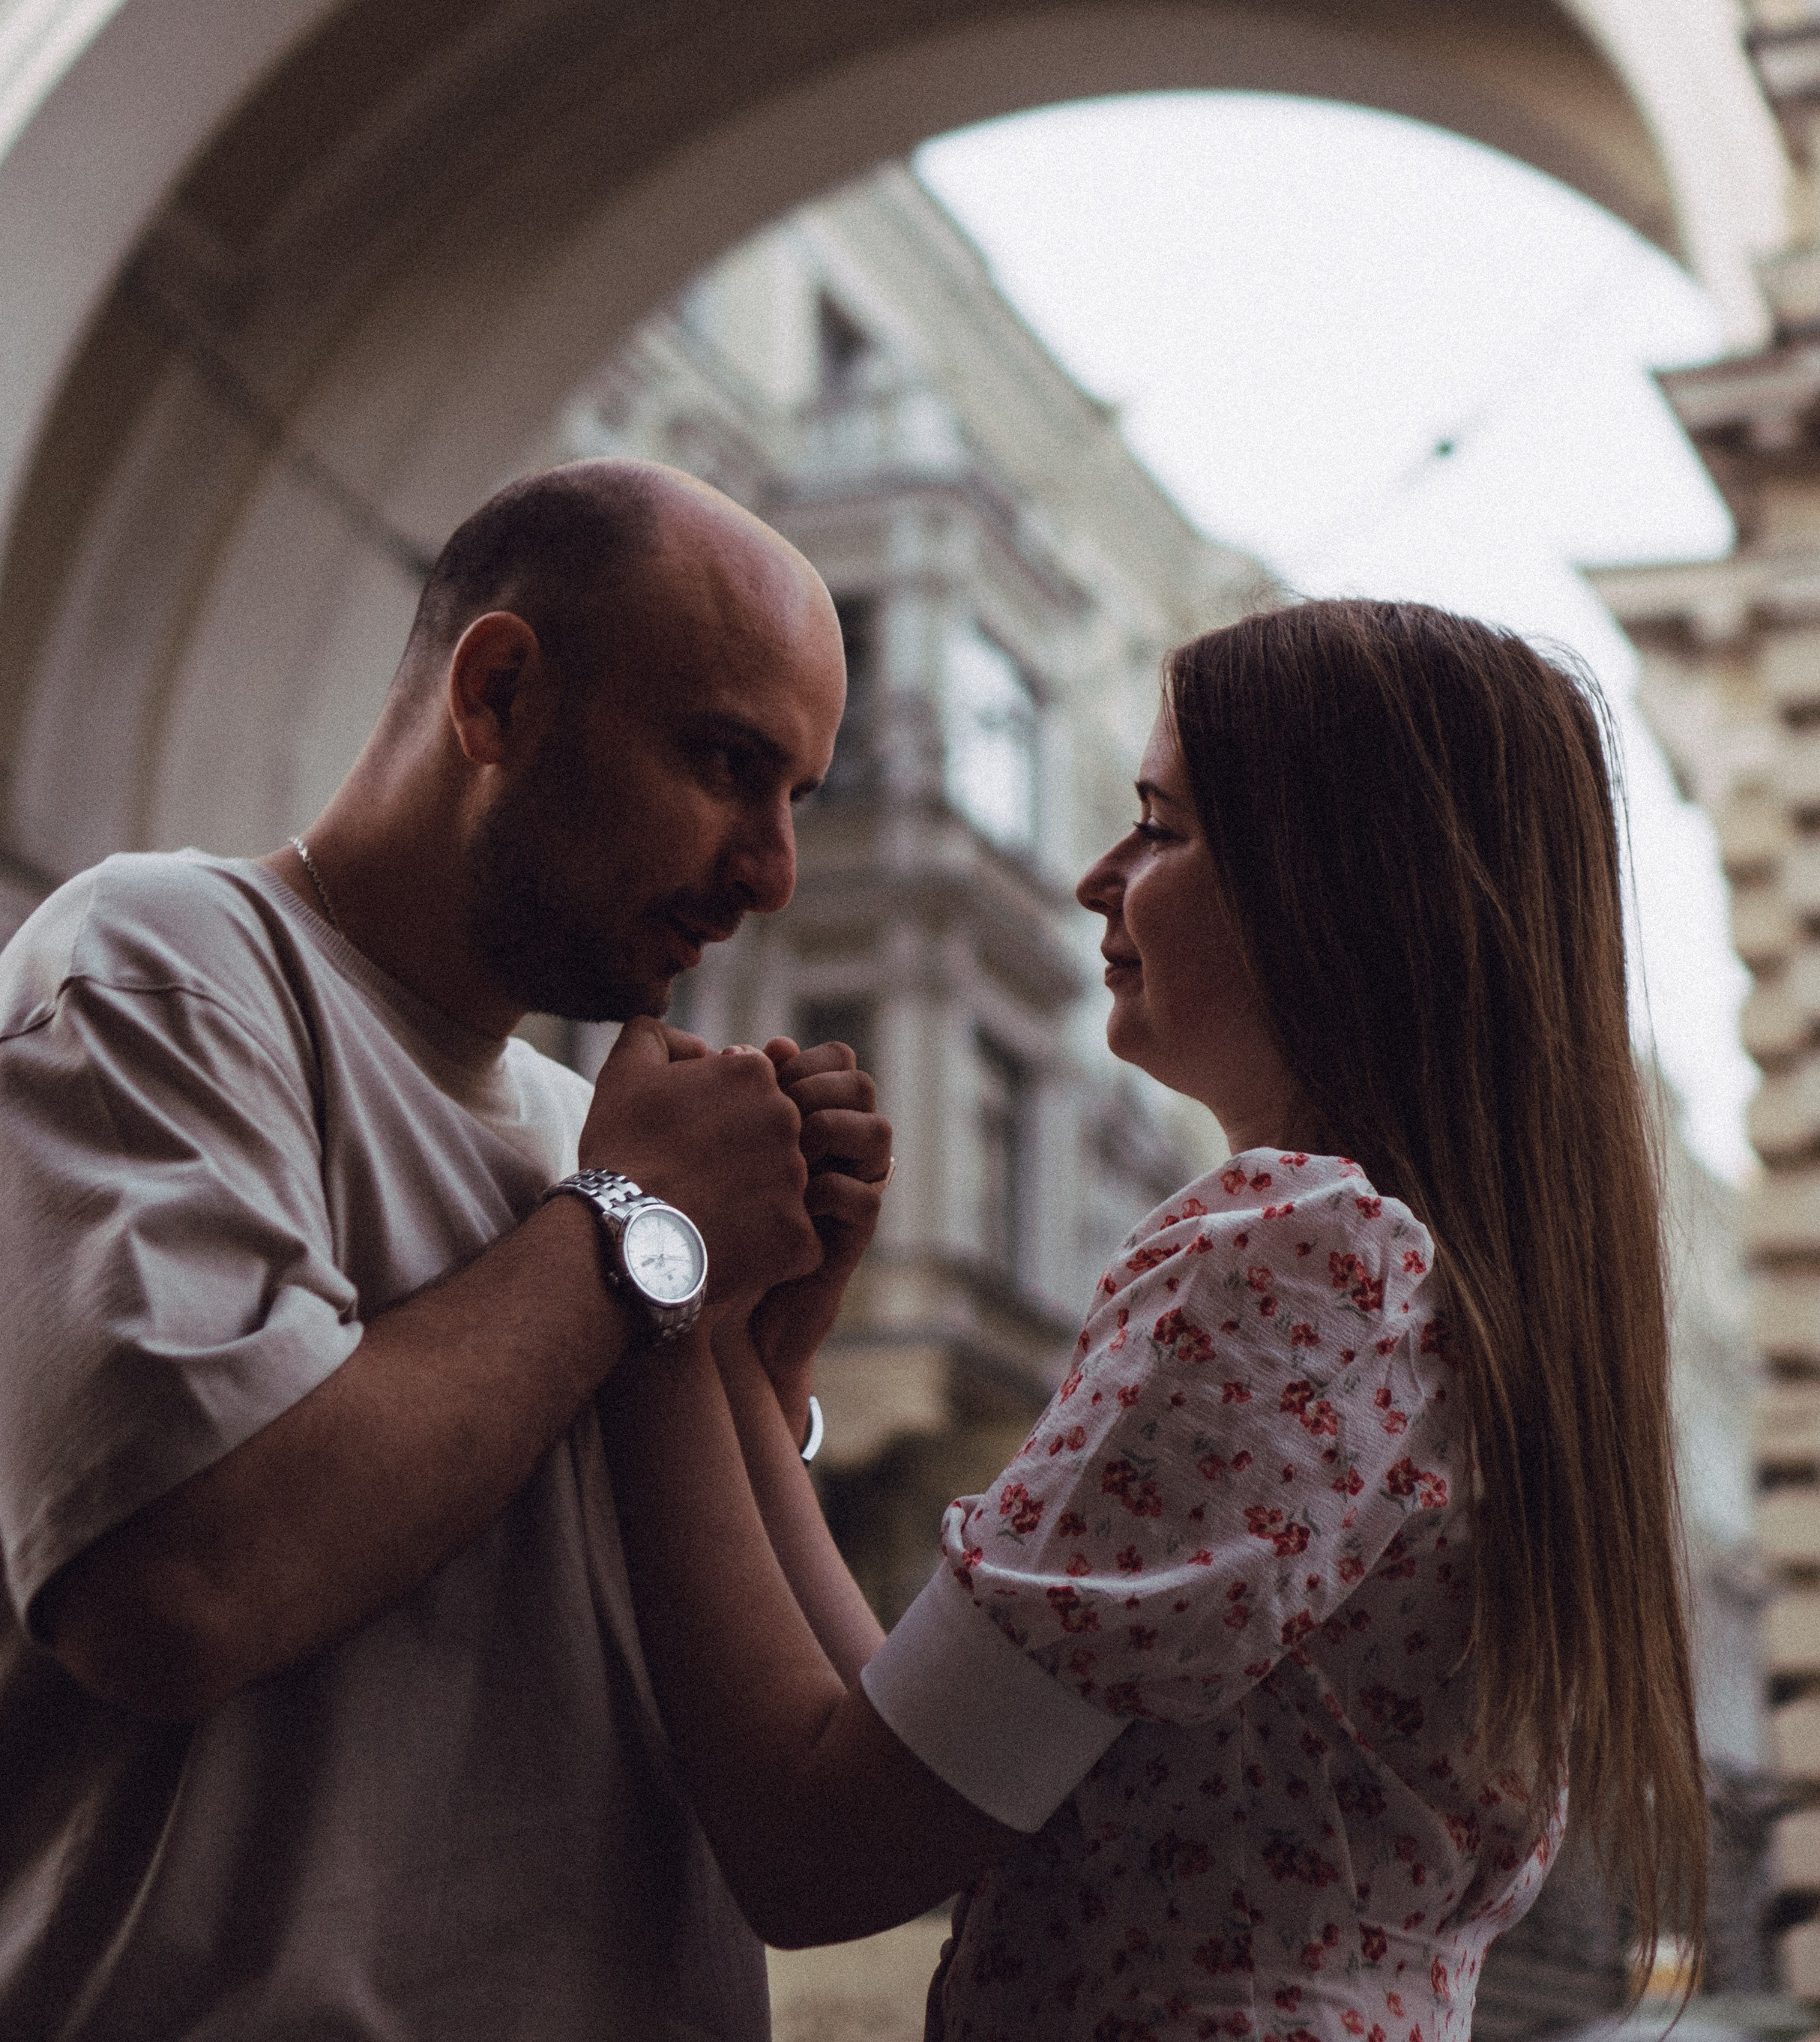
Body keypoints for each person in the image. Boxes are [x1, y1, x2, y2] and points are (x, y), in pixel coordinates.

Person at [599, 597, 1711, 2042]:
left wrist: (639, 1239)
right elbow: (906, 1740)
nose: (1092, 877)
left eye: (1161, 827)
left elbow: (818, 1852)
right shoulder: (1449, 1290)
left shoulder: (1306, 1254)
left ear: (1345, 887)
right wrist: (745, 1359)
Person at [0, 458, 893, 2042]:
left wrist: (762, 1356)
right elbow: (176, 1591)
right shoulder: (163, 964)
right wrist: (637, 1232)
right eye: (721, 763)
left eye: (792, 800)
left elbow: (796, 1787)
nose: (769, 870)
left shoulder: (598, 1137)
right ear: (497, 695)